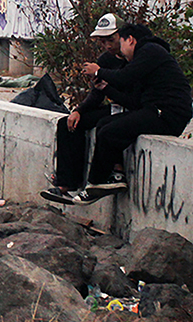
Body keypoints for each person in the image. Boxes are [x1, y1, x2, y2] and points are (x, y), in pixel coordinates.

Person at [67, 23, 193, 205]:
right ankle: (117, 175)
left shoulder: (150, 51)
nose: (121, 53)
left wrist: (98, 70)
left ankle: (95, 184)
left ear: (130, 40)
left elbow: (125, 77)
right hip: (153, 110)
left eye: (120, 45)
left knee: (109, 132)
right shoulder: (145, 62)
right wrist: (106, 88)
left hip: (168, 114)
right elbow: (134, 102)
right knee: (104, 124)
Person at [41, 13, 127, 203]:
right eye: (103, 42)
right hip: (114, 105)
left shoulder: (135, 57)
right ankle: (66, 183)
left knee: (108, 125)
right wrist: (79, 110)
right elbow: (97, 94)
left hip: (132, 107)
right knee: (68, 124)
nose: (108, 46)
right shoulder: (105, 60)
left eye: (111, 40)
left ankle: (108, 175)